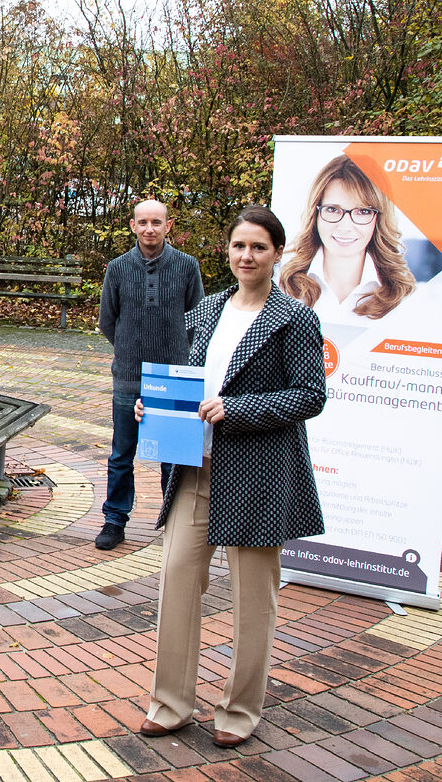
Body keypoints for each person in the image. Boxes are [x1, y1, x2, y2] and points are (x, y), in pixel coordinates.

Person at [138, 206, 326, 748]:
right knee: (176, 581)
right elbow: (189, 384)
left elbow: (310, 396)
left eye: (258, 248)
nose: (246, 256)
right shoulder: (206, 310)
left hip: (258, 474)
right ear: (228, 250)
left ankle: (240, 710)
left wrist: (237, 410)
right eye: (239, 246)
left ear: (277, 254)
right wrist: (155, 410)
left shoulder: (294, 318)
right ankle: (171, 704)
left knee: (252, 600)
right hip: (195, 466)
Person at [95, 199, 204, 551]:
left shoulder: (188, 266)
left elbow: (196, 318)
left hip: (173, 379)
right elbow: (107, 320)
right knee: (121, 453)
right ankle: (114, 520)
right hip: (129, 376)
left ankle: (173, 520)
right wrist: (129, 350)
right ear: (132, 225)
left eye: (156, 222)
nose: (149, 229)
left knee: (172, 454)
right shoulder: (117, 267)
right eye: (143, 222)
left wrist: (176, 359)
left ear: (168, 226)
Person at [279, 154, 416, 321]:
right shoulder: (280, 280)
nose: (345, 226)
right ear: (315, 213)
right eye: (332, 209)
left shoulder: (405, 296)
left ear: (379, 219)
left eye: (363, 211)